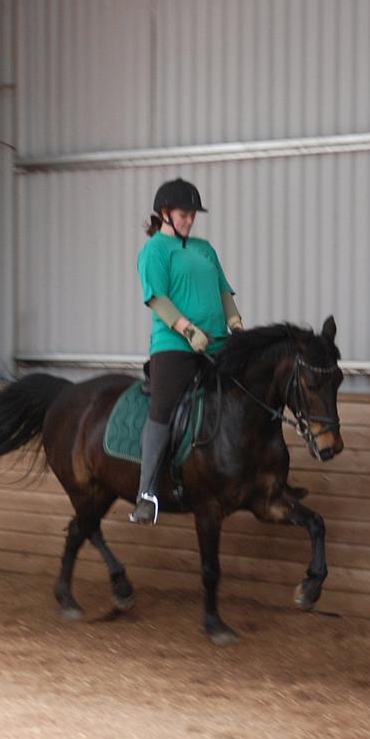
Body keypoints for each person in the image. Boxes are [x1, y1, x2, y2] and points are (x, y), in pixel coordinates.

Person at [131, 178, 244, 526]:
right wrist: (188, 330)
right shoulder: (154, 251)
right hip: (175, 347)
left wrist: (237, 327)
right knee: (162, 410)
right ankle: (147, 493)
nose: (189, 220)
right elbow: (156, 297)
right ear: (164, 213)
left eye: (193, 214)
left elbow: (224, 292)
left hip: (219, 341)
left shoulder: (204, 248)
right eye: (183, 214)